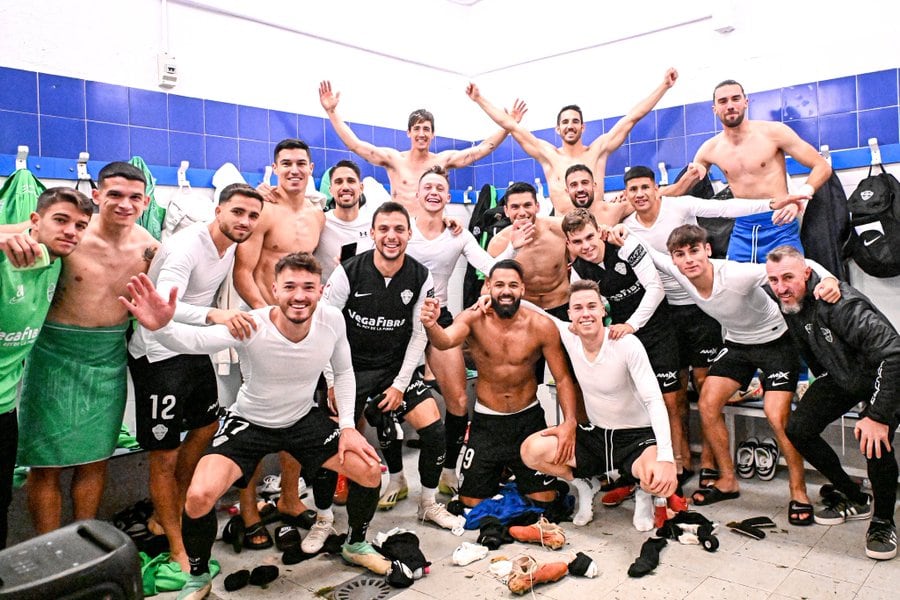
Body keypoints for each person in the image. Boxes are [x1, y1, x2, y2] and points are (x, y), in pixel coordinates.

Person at [119, 254, 388, 598]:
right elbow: (195, 343)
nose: (299, 296)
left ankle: (356, 544)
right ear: (275, 289)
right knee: (199, 496)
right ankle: (198, 578)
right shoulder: (251, 324)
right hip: (250, 421)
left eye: (308, 287)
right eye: (290, 286)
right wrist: (162, 327)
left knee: (368, 470)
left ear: (320, 290)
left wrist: (349, 426)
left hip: (302, 418)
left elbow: (345, 372)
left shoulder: (333, 320)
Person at [644, 224, 838, 524]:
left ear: (707, 250)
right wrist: (615, 231)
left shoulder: (735, 273)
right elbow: (652, 254)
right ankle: (727, 480)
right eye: (680, 255)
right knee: (708, 402)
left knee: (777, 416)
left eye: (694, 251)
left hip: (776, 341)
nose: (688, 260)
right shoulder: (678, 269)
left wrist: (830, 280)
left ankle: (798, 491)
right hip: (737, 344)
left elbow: (804, 265)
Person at [621, 165, 800, 484]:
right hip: (666, 312)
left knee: (705, 385)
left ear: (657, 188)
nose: (640, 194)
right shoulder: (627, 227)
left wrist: (771, 203)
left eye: (645, 187)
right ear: (626, 194)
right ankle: (679, 460)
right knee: (673, 394)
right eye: (633, 189)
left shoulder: (680, 205)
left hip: (703, 307)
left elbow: (726, 208)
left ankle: (710, 462)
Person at [126, 183, 263, 569]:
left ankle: (173, 504)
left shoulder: (231, 245)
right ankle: (175, 544)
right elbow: (163, 304)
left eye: (253, 215)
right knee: (164, 456)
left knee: (206, 428)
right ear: (218, 211)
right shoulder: (188, 246)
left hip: (191, 348)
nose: (245, 221)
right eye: (237, 212)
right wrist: (213, 315)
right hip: (158, 353)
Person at [17, 162, 158, 534]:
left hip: (108, 357)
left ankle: (85, 543)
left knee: (96, 460)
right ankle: (48, 548)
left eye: (133, 197)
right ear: (97, 196)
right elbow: (14, 235)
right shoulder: (69, 235)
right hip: (54, 354)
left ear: (145, 201)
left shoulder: (148, 247)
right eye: (114, 194)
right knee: (45, 464)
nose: (124, 204)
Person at [321, 201, 463, 542]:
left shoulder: (419, 275)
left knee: (433, 430)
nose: (391, 236)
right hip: (348, 370)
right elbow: (324, 328)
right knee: (330, 442)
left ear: (409, 234)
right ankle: (323, 517)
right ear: (372, 233)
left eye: (399, 229)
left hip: (394, 368)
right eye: (383, 229)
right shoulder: (348, 272)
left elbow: (418, 333)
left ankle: (427, 502)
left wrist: (400, 384)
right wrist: (329, 381)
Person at [766, 245, 898, 560]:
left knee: (874, 441)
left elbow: (893, 355)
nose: (781, 287)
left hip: (884, 374)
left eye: (788, 277)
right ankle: (854, 496)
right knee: (798, 429)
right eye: (773, 280)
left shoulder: (839, 304)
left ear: (808, 273)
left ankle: (882, 521)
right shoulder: (788, 300)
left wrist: (877, 416)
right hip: (843, 375)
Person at [405, 166, 528, 495]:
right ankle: (395, 477)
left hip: (439, 316)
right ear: (417, 195)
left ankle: (447, 468)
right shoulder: (402, 231)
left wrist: (513, 247)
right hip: (400, 320)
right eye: (427, 186)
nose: (433, 192)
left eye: (440, 188)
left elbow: (491, 267)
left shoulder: (458, 233)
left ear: (448, 197)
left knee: (458, 400)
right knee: (390, 397)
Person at [518, 280, 678, 530]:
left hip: (636, 437)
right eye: (578, 308)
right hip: (597, 436)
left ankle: (643, 495)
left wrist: (667, 457)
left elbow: (654, 399)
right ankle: (585, 484)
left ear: (603, 310)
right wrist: (488, 299)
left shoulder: (626, 344)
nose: (585, 314)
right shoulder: (569, 337)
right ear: (570, 314)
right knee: (531, 450)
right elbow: (535, 310)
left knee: (655, 478)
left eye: (592, 306)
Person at [420, 260, 578, 509]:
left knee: (545, 502)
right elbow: (445, 342)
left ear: (523, 290)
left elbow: (563, 378)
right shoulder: (473, 318)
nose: (506, 291)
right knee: (471, 503)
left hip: (528, 420)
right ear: (488, 286)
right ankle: (500, 469)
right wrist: (431, 325)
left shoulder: (541, 326)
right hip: (487, 422)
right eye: (500, 284)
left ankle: (510, 471)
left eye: (513, 285)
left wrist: (569, 423)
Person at [232, 138, 324, 535]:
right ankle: (248, 508)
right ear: (274, 168)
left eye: (301, 163)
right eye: (285, 163)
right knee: (253, 421)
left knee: (299, 412)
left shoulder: (317, 213)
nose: (294, 170)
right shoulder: (264, 211)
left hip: (301, 329)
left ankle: (290, 496)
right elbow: (243, 271)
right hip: (263, 325)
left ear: (310, 167)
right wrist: (266, 317)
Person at [0, 187, 92, 548]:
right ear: (35, 221)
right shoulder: (7, 256)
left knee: (2, 503)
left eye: (80, 225)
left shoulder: (54, 261)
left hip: (6, 407)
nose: (71, 230)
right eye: (61, 220)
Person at [561, 207, 682, 481]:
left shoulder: (626, 244)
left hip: (655, 330)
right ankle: (632, 464)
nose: (586, 246)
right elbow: (589, 307)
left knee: (670, 400)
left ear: (599, 231)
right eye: (577, 242)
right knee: (633, 399)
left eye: (590, 237)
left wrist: (633, 324)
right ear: (569, 244)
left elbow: (655, 288)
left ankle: (675, 462)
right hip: (623, 338)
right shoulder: (578, 271)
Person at [465, 68, 678, 217]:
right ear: (557, 129)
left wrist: (664, 86)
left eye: (575, 121)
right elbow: (511, 127)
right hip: (562, 229)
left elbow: (632, 118)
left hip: (596, 229)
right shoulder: (549, 155)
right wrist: (479, 99)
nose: (570, 126)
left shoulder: (598, 150)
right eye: (565, 122)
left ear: (583, 127)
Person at [318, 80, 526, 214]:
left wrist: (509, 126)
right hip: (400, 231)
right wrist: (332, 112)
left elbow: (483, 149)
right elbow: (355, 145)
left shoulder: (442, 161)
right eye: (417, 128)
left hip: (431, 232)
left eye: (426, 129)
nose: (422, 134)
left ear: (433, 134)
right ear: (408, 132)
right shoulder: (394, 160)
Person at [693, 79, 832, 261]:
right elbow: (686, 188)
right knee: (734, 286)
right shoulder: (709, 149)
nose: (730, 106)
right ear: (715, 109)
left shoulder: (774, 133)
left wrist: (801, 197)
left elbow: (822, 166)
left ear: (746, 102)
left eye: (736, 99)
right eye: (723, 101)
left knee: (790, 285)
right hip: (743, 228)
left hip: (780, 224)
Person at [486, 182, 568, 317]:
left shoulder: (559, 229)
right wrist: (485, 299)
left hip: (562, 307)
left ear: (537, 206)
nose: (522, 212)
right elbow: (488, 284)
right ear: (506, 211)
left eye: (527, 205)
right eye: (515, 207)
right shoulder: (498, 244)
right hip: (525, 312)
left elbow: (593, 235)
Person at [314, 160, 374, 283]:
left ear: (361, 187)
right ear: (330, 190)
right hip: (325, 299)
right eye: (338, 182)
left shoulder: (374, 226)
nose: (345, 187)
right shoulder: (320, 222)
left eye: (351, 181)